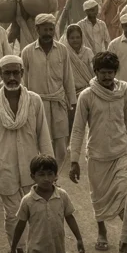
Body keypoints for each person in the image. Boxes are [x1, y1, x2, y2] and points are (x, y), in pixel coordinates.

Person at [0, 55, 53, 253]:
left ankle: (35, 251)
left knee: (37, 212)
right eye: (7, 73)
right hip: (5, 167)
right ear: (0, 75)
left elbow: (43, 135)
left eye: (16, 73)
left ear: (22, 74)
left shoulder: (34, 101)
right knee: (13, 216)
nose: (12, 77)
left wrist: (50, 169)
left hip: (33, 168)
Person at [69, 51, 127, 252]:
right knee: (99, 197)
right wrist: (74, 160)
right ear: (95, 72)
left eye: (111, 72)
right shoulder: (87, 96)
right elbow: (78, 129)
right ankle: (101, 231)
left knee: (124, 196)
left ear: (115, 72)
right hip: (97, 155)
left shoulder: (123, 90)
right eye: (103, 72)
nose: (107, 76)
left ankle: (126, 241)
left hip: (121, 153)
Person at [8, 155, 84, 253]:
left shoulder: (62, 196)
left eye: (50, 174)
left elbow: (69, 217)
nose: (46, 178)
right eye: (41, 174)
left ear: (56, 175)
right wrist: (14, 248)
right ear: (33, 176)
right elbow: (20, 225)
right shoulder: (28, 201)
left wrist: (79, 239)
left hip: (58, 251)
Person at [21, 14, 76, 168]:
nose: (48, 33)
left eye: (51, 29)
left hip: (59, 103)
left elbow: (68, 77)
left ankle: (55, 175)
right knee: (41, 142)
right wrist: (25, 104)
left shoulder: (62, 50)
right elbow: (23, 81)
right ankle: (43, 174)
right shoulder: (27, 52)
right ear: (37, 29)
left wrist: (72, 102)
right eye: (44, 30)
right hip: (37, 104)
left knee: (61, 145)